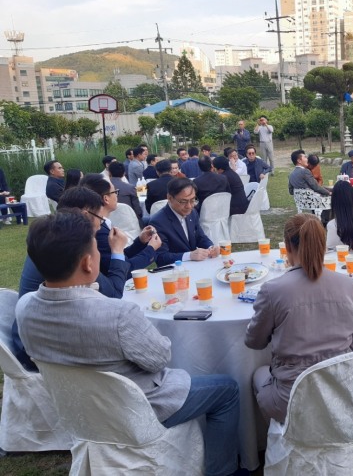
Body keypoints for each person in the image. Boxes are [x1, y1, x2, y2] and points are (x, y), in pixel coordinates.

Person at [15, 212, 241, 476]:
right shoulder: (118, 314)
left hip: (78, 411)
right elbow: (159, 358)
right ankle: (223, 471)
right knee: (227, 390)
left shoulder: (25, 308)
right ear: (88, 263)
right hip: (138, 411)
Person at [245, 214, 353, 423]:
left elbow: (254, 341)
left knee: (258, 374)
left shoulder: (273, 290)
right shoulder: (348, 284)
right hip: (340, 391)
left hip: (292, 400)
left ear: (288, 247)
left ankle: (264, 444)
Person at [13, 187, 131, 371]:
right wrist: (117, 251)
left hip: (33, 338)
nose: (101, 226)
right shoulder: (71, 249)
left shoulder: (48, 237)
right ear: (86, 213)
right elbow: (114, 292)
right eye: (100, 219)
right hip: (48, 352)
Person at [81, 174, 160, 276]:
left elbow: (119, 257)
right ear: (106, 199)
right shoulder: (99, 230)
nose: (117, 195)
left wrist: (140, 242)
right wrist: (151, 249)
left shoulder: (103, 224)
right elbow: (124, 268)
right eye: (115, 192)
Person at [149, 178, 217, 267]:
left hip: (195, 266)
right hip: (174, 271)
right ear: (169, 198)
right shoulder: (158, 222)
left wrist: (210, 247)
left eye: (193, 200)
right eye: (183, 201)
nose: (189, 206)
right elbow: (160, 257)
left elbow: (200, 237)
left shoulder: (192, 212)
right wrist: (189, 255)